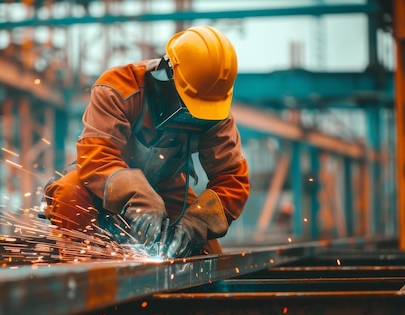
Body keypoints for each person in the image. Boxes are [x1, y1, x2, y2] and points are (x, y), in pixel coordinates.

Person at [43, 25, 250, 258]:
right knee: (69, 191)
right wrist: (139, 197)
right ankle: (83, 275)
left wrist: (197, 223)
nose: (194, 116)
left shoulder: (215, 112)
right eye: (189, 105)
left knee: (208, 257)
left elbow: (232, 180)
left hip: (167, 187)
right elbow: (97, 158)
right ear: (166, 75)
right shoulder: (118, 88)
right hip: (102, 184)